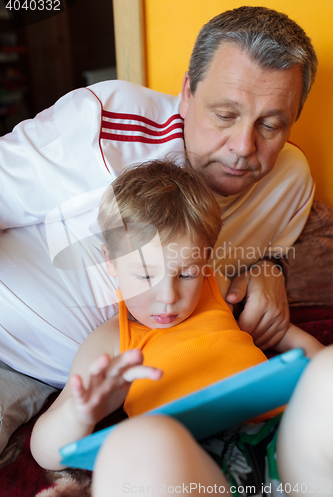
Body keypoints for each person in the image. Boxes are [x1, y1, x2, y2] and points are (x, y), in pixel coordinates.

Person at [0, 6, 318, 453]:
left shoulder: (291, 181)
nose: (243, 147)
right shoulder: (105, 123)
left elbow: (268, 254)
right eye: (225, 115)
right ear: (187, 93)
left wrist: (269, 269)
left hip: (82, 382)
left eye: (270, 124)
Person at [30, 161, 324, 497]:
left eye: (186, 274)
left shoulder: (218, 289)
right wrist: (80, 412)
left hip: (278, 443)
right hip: (194, 468)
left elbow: (282, 333)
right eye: (145, 276)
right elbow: (45, 450)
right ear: (110, 261)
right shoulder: (110, 342)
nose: (168, 297)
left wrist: (317, 365)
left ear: (206, 260)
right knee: (135, 443)